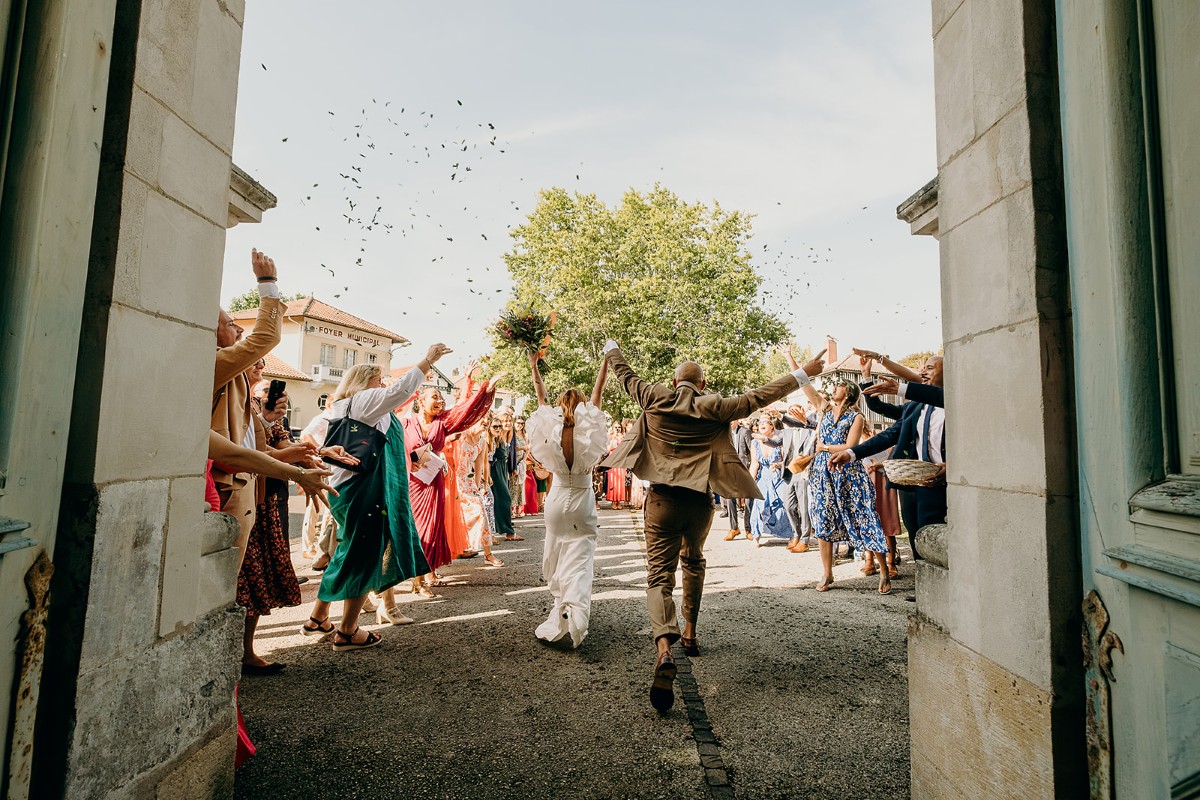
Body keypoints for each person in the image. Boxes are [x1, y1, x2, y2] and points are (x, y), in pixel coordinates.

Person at [602, 340, 825, 711]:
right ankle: (690, 632)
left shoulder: (654, 397)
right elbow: (761, 396)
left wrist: (612, 349)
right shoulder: (715, 406)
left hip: (660, 500)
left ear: (675, 383)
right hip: (699, 502)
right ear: (702, 386)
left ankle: (663, 649)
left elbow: (625, 375)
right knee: (693, 561)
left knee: (659, 578)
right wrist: (803, 373)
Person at [298, 346, 451, 649]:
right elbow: (402, 389)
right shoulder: (363, 401)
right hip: (363, 490)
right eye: (379, 379)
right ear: (363, 382)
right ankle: (347, 630)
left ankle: (319, 617)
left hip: (355, 490)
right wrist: (428, 359)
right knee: (362, 556)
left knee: (351, 552)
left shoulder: (348, 406)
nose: (383, 384)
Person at [782, 348, 891, 594]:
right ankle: (827, 572)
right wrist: (791, 359)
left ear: (849, 393)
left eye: (839, 386)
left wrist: (825, 446)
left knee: (865, 519)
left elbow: (851, 446)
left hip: (848, 473)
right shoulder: (823, 409)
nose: (834, 388)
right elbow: (805, 384)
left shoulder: (856, 418)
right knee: (823, 519)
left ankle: (883, 570)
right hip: (823, 473)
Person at [525, 351, 609, 647]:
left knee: (557, 554)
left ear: (561, 405)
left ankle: (562, 608)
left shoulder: (551, 426)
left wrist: (534, 366)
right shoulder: (589, 425)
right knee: (581, 559)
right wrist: (605, 362)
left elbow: (540, 395)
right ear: (583, 405)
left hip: (557, 498)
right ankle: (576, 617)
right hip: (582, 498)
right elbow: (598, 391)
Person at [831, 353, 947, 559]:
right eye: (923, 368)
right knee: (918, 541)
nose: (922, 372)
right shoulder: (914, 407)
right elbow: (889, 434)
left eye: (929, 368)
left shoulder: (955, 401)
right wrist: (851, 453)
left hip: (945, 485)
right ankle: (923, 588)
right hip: (916, 485)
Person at [401, 364, 501, 594]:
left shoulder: (443, 423)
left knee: (431, 530)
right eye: (434, 397)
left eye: (441, 398)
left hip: (434, 484)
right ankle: (414, 577)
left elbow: (465, 410)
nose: (440, 401)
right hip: (413, 484)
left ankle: (422, 580)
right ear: (420, 402)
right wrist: (407, 460)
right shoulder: (406, 423)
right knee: (414, 531)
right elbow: (394, 446)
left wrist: (485, 388)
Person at [211, 249, 283, 562]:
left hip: (241, 482)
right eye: (231, 324)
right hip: (227, 485)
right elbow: (266, 336)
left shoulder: (229, 369)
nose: (240, 330)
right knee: (223, 577)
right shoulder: (213, 361)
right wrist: (267, 282)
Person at [238, 375, 309, 675]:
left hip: (270, 496)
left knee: (260, 576)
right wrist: (294, 454)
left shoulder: (270, 417)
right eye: (265, 390)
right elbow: (258, 453)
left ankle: (247, 651)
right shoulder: (245, 407)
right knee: (248, 576)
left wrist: (310, 455)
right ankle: (243, 652)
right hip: (249, 493)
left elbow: (284, 447)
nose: (271, 393)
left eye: (274, 389)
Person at [452, 415, 504, 567]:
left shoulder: (482, 441)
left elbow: (479, 466)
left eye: (487, 422)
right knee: (455, 517)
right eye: (483, 420)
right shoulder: (461, 436)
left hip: (468, 482)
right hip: (453, 480)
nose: (486, 423)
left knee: (481, 513)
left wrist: (478, 487)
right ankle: (458, 548)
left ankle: (488, 555)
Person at [749, 416, 793, 546]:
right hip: (763, 477)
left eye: (765, 422)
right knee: (758, 505)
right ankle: (756, 536)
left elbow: (786, 460)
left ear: (772, 426)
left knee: (783, 506)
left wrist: (778, 465)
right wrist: (750, 482)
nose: (762, 424)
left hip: (778, 476)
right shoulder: (755, 442)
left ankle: (790, 534)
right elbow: (754, 463)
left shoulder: (779, 441)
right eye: (760, 422)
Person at [489, 411, 521, 540]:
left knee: (501, 500)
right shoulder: (496, 437)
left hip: (502, 470)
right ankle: (507, 532)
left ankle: (506, 531)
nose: (507, 423)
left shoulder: (507, 437)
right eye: (504, 421)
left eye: (509, 421)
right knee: (503, 499)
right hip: (494, 470)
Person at [721, 419, 755, 541]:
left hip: (744, 469)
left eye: (732, 419)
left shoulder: (745, 432)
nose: (730, 422)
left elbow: (752, 451)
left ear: (737, 420)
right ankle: (734, 528)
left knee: (747, 501)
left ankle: (748, 528)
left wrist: (752, 468)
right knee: (730, 499)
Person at [510, 416, 531, 518]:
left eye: (522, 423)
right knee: (512, 487)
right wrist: (523, 448)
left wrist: (524, 460)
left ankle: (519, 509)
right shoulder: (512, 434)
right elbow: (513, 448)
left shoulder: (524, 435)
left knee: (520, 487)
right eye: (518, 423)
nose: (520, 425)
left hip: (521, 463)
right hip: (513, 463)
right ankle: (511, 509)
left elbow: (528, 449)